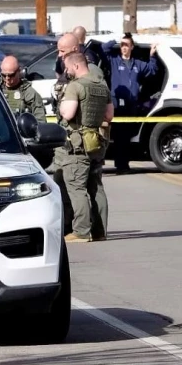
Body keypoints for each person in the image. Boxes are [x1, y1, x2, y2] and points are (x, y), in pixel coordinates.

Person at [50, 51, 112, 242]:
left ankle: (81, 231)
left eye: (68, 68)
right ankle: (100, 231)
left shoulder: (75, 86)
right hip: (96, 143)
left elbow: (68, 114)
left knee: (76, 188)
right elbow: (109, 116)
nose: (67, 71)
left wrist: (61, 104)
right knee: (96, 187)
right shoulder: (102, 86)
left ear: (76, 66)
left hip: (77, 145)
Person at [101, 33, 159, 173]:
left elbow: (152, 70)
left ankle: (123, 165)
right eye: (122, 45)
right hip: (116, 104)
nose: (124, 48)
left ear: (132, 47)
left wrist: (152, 55)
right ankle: (119, 165)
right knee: (117, 136)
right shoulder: (114, 61)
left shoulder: (137, 64)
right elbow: (103, 49)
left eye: (127, 45)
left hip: (131, 105)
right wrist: (115, 39)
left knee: (126, 137)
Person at [0, 55, 45, 119]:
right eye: (3, 75)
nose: (7, 78)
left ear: (19, 71)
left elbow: (40, 120)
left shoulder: (29, 93)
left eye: (11, 75)